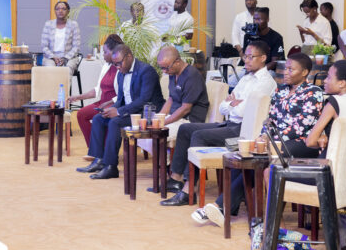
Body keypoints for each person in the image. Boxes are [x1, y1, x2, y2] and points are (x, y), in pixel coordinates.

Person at [192, 52, 323, 227]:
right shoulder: (281, 90)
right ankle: (225, 208)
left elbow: (301, 125)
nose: (286, 72)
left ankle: (221, 206)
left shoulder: (313, 92)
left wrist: (270, 140)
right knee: (247, 156)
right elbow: (270, 119)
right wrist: (263, 135)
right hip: (277, 141)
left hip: (302, 143)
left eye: (291, 69)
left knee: (261, 158)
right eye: (286, 68)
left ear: (305, 72)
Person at [160, 41, 277, 206]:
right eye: (245, 56)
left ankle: (189, 189)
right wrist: (233, 104)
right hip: (230, 123)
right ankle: (176, 178)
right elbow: (223, 107)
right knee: (186, 129)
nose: (246, 60)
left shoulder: (265, 82)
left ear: (263, 58)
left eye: (251, 57)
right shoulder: (246, 78)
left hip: (244, 131)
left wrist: (233, 104)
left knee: (199, 135)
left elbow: (242, 112)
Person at [76, 44, 165, 179]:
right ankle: (99, 160)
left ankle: (111, 167)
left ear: (129, 56)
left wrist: (118, 112)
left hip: (147, 113)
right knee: (99, 118)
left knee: (115, 122)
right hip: (131, 112)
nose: (117, 67)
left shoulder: (146, 71)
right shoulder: (121, 73)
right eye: (114, 64)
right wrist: (111, 109)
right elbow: (121, 99)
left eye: (118, 63)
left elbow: (144, 100)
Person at [137, 46, 210, 159]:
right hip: (175, 117)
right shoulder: (173, 73)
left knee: (154, 135)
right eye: (161, 68)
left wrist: (163, 122)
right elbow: (171, 99)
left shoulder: (191, 76)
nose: (164, 71)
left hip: (188, 121)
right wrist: (158, 118)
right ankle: (165, 161)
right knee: (142, 134)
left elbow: (185, 108)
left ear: (177, 61)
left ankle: (167, 163)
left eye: (166, 68)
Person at [67, 34, 122, 153]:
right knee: (81, 114)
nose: (103, 55)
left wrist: (109, 103)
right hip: (101, 103)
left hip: (114, 105)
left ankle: (101, 150)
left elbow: (122, 95)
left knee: (103, 119)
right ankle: (94, 149)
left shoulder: (121, 68)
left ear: (113, 52)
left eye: (105, 52)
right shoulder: (106, 66)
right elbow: (97, 90)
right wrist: (77, 97)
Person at [305, 60, 346, 150]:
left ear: (341, 83)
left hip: (337, 155)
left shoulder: (334, 103)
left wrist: (325, 140)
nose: (325, 81)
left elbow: (310, 142)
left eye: (329, 77)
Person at [41, 1, 81, 74]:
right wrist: (53, 57)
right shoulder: (48, 24)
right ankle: (52, 82)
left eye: (63, 9)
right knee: (51, 69)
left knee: (67, 70)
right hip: (51, 57)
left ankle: (65, 82)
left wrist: (65, 58)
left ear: (68, 11)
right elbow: (44, 47)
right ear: (55, 11)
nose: (60, 11)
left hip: (69, 57)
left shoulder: (73, 25)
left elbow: (76, 47)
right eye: (58, 9)